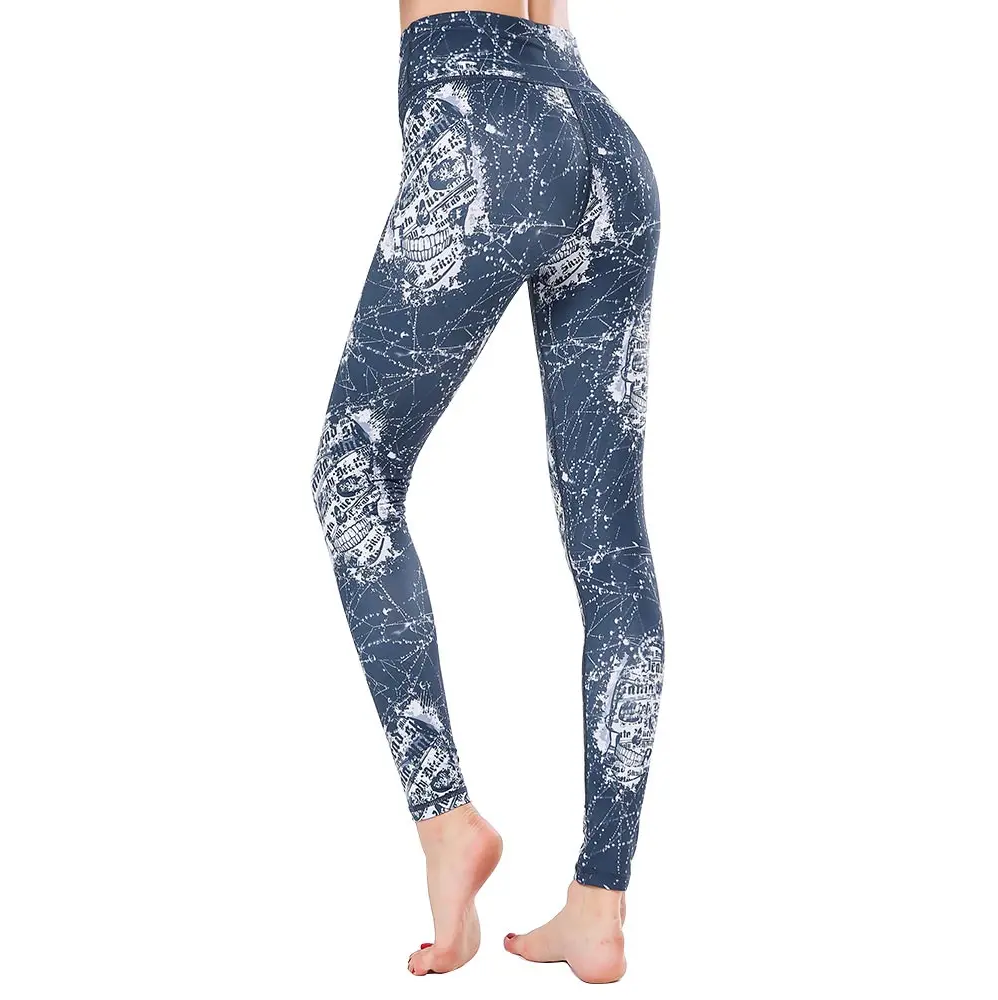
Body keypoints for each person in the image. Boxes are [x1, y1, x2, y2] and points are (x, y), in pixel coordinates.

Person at [312, 0, 664, 982]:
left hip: (487, 121)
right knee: (611, 548)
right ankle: (598, 903)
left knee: (352, 474)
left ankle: (446, 821)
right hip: (599, 133)